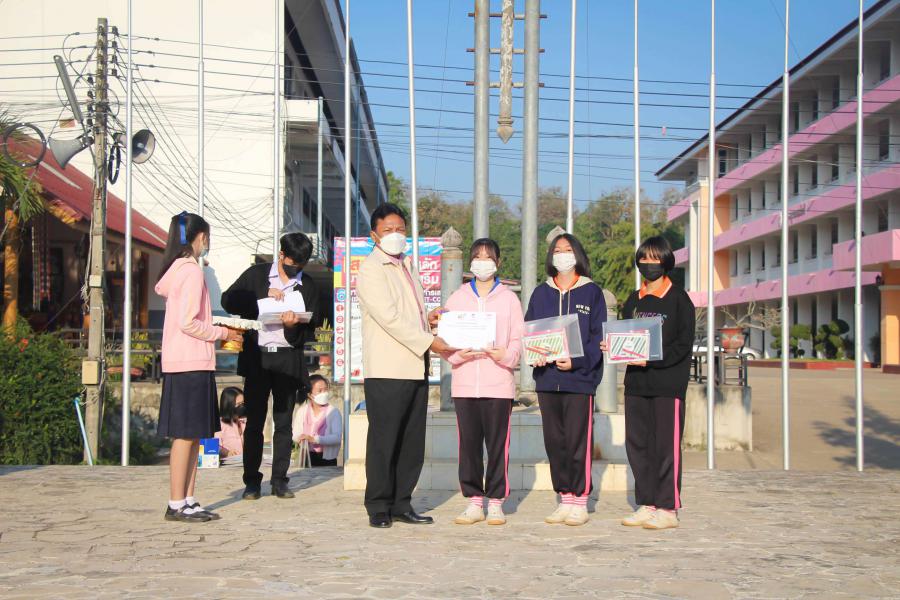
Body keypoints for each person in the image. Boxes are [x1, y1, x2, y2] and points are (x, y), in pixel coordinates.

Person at [355, 203, 455, 529]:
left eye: (400, 229)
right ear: (374, 235)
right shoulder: (372, 269)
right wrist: (429, 341)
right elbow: (390, 318)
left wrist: (429, 320)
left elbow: (408, 315)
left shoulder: (407, 265)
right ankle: (378, 505)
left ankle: (402, 502)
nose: (395, 235)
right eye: (388, 230)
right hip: (387, 369)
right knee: (384, 440)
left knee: (411, 442)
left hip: (414, 366)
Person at [155, 211, 242, 523]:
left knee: (193, 436)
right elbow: (188, 322)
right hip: (189, 362)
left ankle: (188, 498)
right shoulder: (190, 271)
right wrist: (223, 333)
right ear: (200, 236)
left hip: (188, 361)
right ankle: (176, 502)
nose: (207, 242)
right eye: (207, 237)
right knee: (185, 436)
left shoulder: (179, 269)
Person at [221, 233, 319, 500]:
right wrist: (261, 297)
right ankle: (252, 482)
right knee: (254, 422)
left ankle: (280, 480)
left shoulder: (307, 285)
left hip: (287, 358)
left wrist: (293, 325)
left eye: (302, 265)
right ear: (282, 255)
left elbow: (312, 325)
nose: (296, 269)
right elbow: (228, 300)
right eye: (293, 263)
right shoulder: (257, 275)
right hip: (258, 358)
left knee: (283, 423)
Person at [525, 233, 606, 527]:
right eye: (557, 250)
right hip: (548, 381)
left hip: (579, 381)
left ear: (577, 254)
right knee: (555, 442)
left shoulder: (592, 293)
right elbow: (530, 330)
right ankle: (565, 498)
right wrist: (534, 354)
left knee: (577, 441)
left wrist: (577, 361)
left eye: (567, 249)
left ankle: (580, 500)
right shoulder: (541, 293)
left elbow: (598, 337)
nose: (562, 254)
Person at [615, 236, 695, 531]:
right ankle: (647, 504)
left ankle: (667, 508)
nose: (649, 264)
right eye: (644, 258)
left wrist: (649, 359)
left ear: (666, 261)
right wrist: (614, 346)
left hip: (667, 386)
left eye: (655, 258)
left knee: (665, 448)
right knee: (638, 446)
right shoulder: (634, 300)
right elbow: (625, 335)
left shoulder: (679, 299)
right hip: (636, 386)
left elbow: (682, 346)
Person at [444, 239, 523, 526]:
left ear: (498, 263)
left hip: (498, 384)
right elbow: (445, 339)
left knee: (498, 445)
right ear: (470, 263)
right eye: (477, 257)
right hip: (465, 384)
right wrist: (457, 355)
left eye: (488, 257)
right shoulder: (457, 298)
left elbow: (518, 339)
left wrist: (507, 356)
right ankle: (474, 501)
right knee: (469, 446)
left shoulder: (509, 299)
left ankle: (497, 502)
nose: (482, 262)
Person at [292, 374, 342, 467]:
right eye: (320, 390)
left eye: (325, 389)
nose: (324, 393)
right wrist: (300, 438)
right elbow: (295, 434)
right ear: (310, 394)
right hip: (306, 457)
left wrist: (314, 439)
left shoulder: (333, 412)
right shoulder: (302, 411)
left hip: (327, 459)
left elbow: (337, 438)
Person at [215, 386, 246, 458]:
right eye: (239, 404)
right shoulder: (219, 424)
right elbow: (214, 446)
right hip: (228, 463)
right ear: (229, 405)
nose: (242, 406)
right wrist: (227, 452)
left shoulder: (245, 421)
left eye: (243, 403)